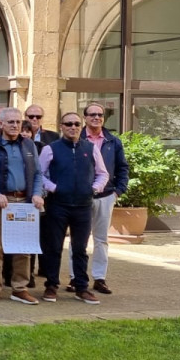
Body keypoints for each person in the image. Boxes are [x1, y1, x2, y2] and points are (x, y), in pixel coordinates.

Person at [0, 107, 44, 305]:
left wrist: (38, 193)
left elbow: (38, 173)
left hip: (24, 203)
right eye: (10, 122)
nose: (15, 125)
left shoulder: (29, 145)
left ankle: (19, 288)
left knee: (23, 248)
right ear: (1, 124)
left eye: (17, 121)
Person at [40, 113, 108, 305]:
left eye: (77, 124)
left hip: (83, 206)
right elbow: (40, 174)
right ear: (61, 126)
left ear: (81, 126)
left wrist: (94, 188)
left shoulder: (91, 148)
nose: (73, 127)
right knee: (53, 247)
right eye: (69, 124)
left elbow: (103, 174)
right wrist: (54, 188)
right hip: (57, 205)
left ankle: (81, 288)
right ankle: (51, 285)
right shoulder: (50, 149)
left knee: (80, 248)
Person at [70, 101, 130, 295]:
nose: (96, 117)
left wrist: (117, 191)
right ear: (85, 117)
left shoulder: (113, 141)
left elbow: (122, 168)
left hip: (105, 196)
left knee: (101, 239)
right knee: (78, 239)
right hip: (81, 197)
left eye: (100, 115)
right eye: (92, 114)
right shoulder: (76, 139)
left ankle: (99, 278)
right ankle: (74, 278)